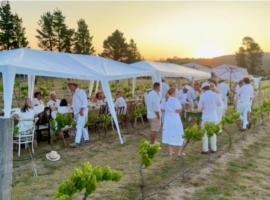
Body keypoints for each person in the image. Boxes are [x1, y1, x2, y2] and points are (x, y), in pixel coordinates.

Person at [198, 82, 222, 153]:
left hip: (205, 117)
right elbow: (219, 104)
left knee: (204, 134)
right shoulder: (215, 95)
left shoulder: (202, 96)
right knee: (213, 133)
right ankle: (214, 148)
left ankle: (205, 149)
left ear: (203, 89)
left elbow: (199, 108)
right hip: (214, 117)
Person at [161, 88, 185, 157]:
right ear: (174, 93)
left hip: (167, 120)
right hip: (175, 119)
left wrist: (168, 110)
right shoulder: (175, 100)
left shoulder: (164, 100)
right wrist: (180, 110)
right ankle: (179, 152)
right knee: (180, 134)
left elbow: (162, 109)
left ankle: (170, 152)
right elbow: (178, 110)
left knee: (168, 134)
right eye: (176, 92)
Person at [68, 82, 89, 147]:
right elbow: (76, 104)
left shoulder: (81, 91)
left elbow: (85, 101)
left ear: (75, 86)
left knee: (79, 127)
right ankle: (86, 139)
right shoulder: (74, 94)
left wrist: (81, 109)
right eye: (69, 87)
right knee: (83, 126)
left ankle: (77, 142)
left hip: (81, 111)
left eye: (70, 86)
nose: (70, 88)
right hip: (78, 112)